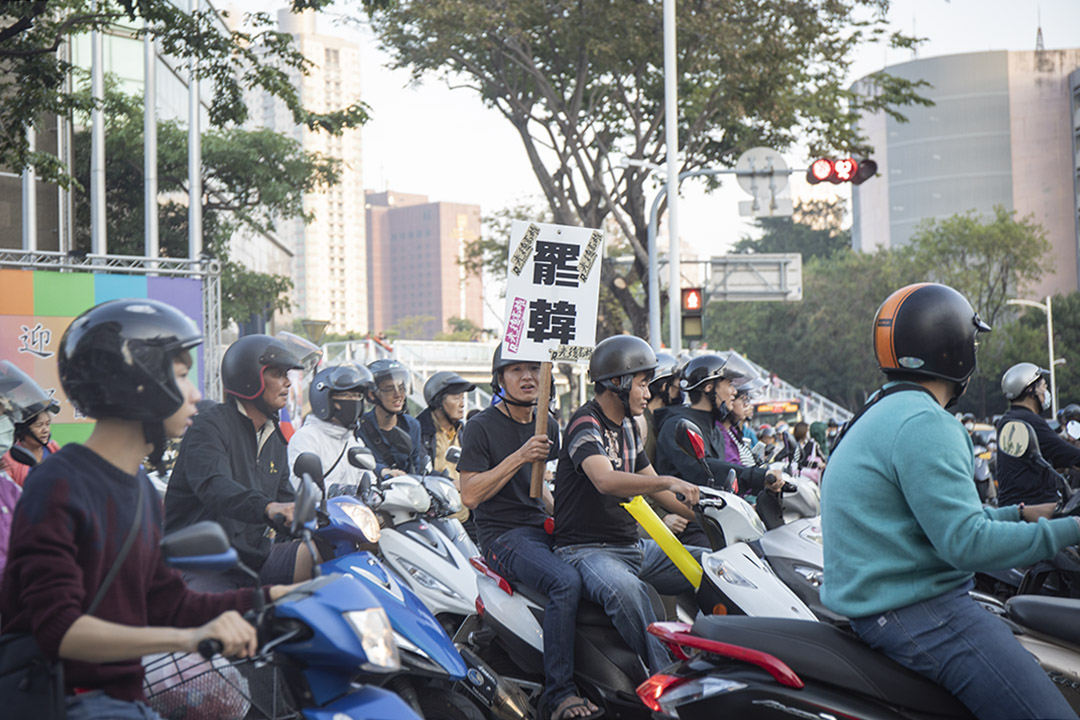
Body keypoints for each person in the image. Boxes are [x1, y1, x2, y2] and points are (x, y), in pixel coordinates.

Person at [1, 300, 298, 720]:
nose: (195, 393)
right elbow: (59, 631)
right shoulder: (59, 486)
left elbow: (167, 602)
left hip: (126, 698)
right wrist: (190, 638)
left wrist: (271, 599)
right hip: (66, 699)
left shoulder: (138, 487)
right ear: (136, 383)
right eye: (180, 376)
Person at [821, 282, 1080, 720]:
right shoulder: (925, 423)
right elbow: (967, 545)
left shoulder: (880, 410)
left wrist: (1018, 513)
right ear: (955, 349)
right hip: (922, 613)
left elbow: (933, 521)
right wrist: (1070, 529)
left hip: (885, 608)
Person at [457, 346, 597, 720]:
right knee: (565, 581)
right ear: (499, 378)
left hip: (540, 529)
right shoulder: (480, 426)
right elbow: (470, 493)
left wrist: (569, 517)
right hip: (502, 538)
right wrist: (521, 455)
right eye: (515, 368)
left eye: (534, 367)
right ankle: (559, 694)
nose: (527, 376)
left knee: (602, 567)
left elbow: (539, 489)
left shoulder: (547, 424)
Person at [553, 335, 702, 675]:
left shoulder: (630, 428)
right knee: (630, 593)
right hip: (586, 551)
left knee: (715, 568)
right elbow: (605, 480)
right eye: (643, 383)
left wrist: (708, 514)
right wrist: (667, 481)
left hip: (632, 547)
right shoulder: (584, 423)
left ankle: (721, 656)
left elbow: (655, 489)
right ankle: (668, 681)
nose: (648, 393)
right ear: (616, 383)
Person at [165, 334, 315, 591]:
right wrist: (268, 508)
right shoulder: (209, 426)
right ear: (250, 377)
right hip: (203, 563)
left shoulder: (275, 438)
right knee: (220, 623)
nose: (288, 383)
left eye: (287, 375)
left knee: (331, 554)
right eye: (278, 373)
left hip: (254, 558)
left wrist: (314, 516)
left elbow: (285, 499)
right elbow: (216, 486)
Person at [655, 353, 785, 497]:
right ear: (709, 387)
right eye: (729, 384)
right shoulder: (678, 425)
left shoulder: (714, 430)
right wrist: (755, 476)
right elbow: (702, 470)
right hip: (682, 513)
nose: (734, 392)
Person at [995, 362, 1080, 507]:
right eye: (1044, 386)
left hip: (1014, 506)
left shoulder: (1008, 419)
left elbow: (1040, 458)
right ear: (1031, 390)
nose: (1046, 392)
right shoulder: (1029, 421)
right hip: (1035, 508)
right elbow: (1066, 453)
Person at [287, 363, 373, 493]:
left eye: (357, 396)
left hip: (353, 512)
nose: (354, 401)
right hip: (318, 512)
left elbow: (369, 480)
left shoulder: (354, 442)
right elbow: (299, 485)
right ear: (326, 399)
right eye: (347, 396)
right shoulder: (306, 437)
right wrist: (342, 491)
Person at [357, 359, 429, 479]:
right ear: (371, 394)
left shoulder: (412, 425)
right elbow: (358, 466)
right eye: (390, 389)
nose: (398, 395)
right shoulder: (360, 426)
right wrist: (382, 471)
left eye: (401, 388)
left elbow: (416, 467)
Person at [417, 371, 475, 481]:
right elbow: (418, 468)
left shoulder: (463, 431)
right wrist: (451, 483)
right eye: (457, 398)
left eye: (463, 398)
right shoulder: (420, 431)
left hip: (463, 496)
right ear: (438, 401)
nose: (462, 404)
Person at [2, 396, 60, 487]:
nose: (45, 430)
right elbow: (8, 493)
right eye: (39, 425)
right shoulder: (9, 457)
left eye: (47, 424)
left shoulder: (53, 447)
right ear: (24, 429)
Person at [642, 352, 680, 467]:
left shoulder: (659, 418)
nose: (680, 392)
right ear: (664, 387)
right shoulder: (643, 420)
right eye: (677, 386)